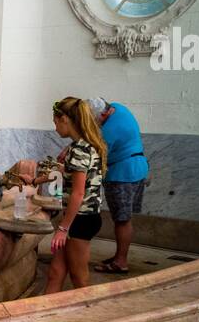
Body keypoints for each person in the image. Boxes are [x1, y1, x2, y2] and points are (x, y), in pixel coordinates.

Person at [35, 97, 107, 294]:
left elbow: (78, 193)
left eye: (56, 122)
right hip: (76, 219)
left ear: (65, 119)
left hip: (81, 220)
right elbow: (63, 171)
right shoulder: (83, 146)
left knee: (79, 278)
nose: (56, 128)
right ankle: (44, 315)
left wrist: (62, 229)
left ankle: (88, 317)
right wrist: (35, 181)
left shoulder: (79, 150)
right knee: (56, 272)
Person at [86, 97, 149, 274]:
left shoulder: (109, 131)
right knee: (124, 218)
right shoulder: (118, 108)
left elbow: (93, 156)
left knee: (122, 220)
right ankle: (120, 256)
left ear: (104, 114)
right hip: (137, 168)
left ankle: (120, 261)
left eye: (94, 120)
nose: (93, 124)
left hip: (123, 174)